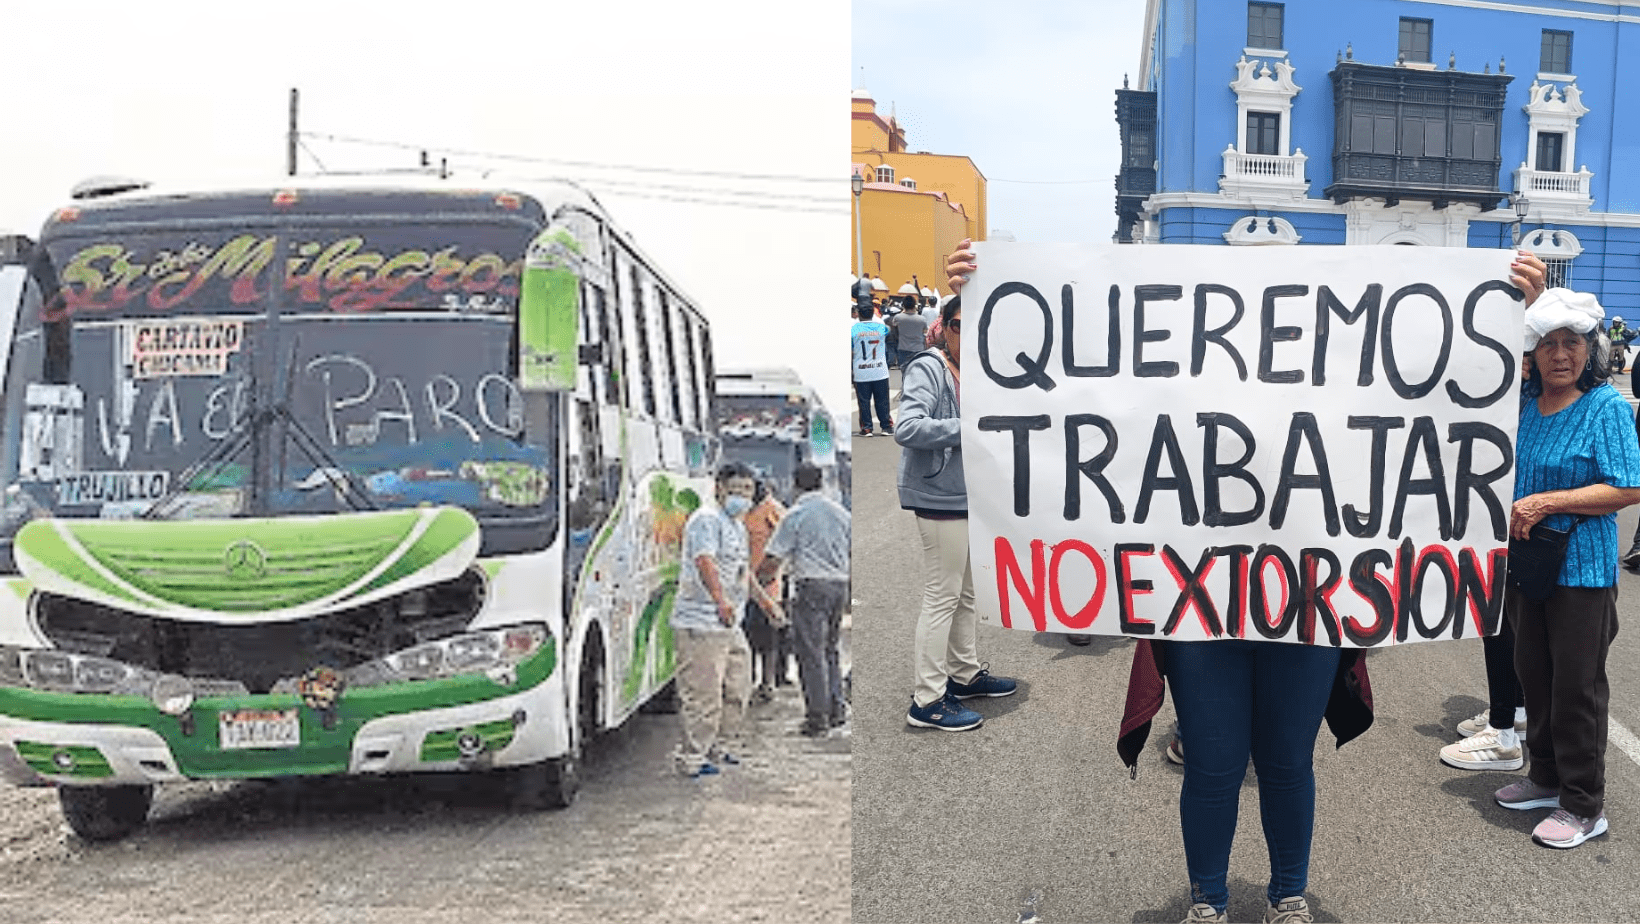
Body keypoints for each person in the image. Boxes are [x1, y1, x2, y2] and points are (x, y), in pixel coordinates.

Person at [946, 239, 1549, 922]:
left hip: (1308, 604)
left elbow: (1447, 399)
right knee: (1213, 764)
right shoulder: (1175, 380)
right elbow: (1054, 389)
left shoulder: (1346, 379)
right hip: (1203, 607)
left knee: (1288, 763)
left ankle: (1288, 897)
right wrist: (987, 298)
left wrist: (1504, 312)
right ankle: (1207, 902)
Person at [1492, 287, 1640, 849]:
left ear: (1590, 349)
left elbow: (1628, 486)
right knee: (1534, 675)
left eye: (1571, 343)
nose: (1560, 354)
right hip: (1531, 566)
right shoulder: (1528, 401)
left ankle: (1584, 804)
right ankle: (1546, 778)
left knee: (1576, 686)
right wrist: (1523, 295)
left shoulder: (1602, 406)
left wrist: (1547, 502)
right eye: (1548, 343)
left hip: (1580, 569)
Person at [895, 290, 1017, 732]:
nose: (972, 335)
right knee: (941, 596)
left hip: (968, 496)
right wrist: (971, 427)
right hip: (938, 496)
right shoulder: (929, 367)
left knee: (966, 593)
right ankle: (927, 699)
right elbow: (907, 427)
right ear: (946, 328)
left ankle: (964, 676)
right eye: (963, 325)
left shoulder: (978, 374)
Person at [669, 461, 759, 778]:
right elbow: (704, 560)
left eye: (748, 490)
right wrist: (720, 600)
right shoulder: (706, 520)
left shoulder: (737, 524)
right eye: (735, 489)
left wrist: (766, 603)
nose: (742, 496)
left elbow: (742, 571)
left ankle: (720, 745)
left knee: (737, 685)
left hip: (729, 622)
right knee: (702, 693)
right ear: (719, 488)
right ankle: (693, 756)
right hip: (702, 620)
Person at [762, 463, 852, 736]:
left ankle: (817, 717)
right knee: (830, 649)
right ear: (821, 482)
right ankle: (836, 710)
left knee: (811, 653)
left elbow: (773, 558)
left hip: (810, 586)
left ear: (795, 485)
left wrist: (758, 583)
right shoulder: (841, 513)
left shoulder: (796, 514)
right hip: (839, 585)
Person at [741, 478, 788, 704]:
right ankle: (747, 681)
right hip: (742, 585)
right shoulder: (742, 512)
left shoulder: (773, 511)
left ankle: (768, 683)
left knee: (768, 639)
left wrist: (771, 574)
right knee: (746, 636)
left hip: (768, 586)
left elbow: (784, 545)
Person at [851, 303, 893, 437]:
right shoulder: (882, 328)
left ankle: (867, 428)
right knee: (882, 400)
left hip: (861, 371)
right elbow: (889, 332)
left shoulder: (852, 329)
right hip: (880, 370)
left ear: (858, 314)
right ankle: (886, 426)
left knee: (864, 401)